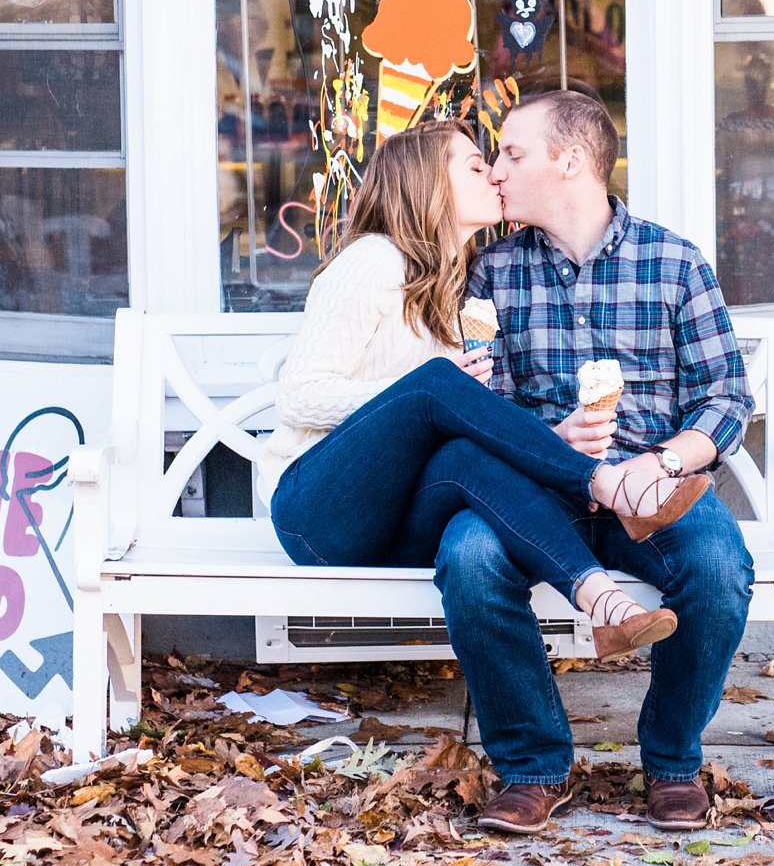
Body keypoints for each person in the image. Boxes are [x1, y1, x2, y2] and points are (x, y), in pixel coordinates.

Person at [260, 118, 704, 658]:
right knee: (433, 390)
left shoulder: (457, 286)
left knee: (463, 455)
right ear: (427, 183)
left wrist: (490, 412)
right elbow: (299, 395)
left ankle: (605, 604)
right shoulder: (372, 261)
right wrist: (417, 394)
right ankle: (610, 486)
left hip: (396, 528)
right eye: (475, 166)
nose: (495, 174)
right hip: (319, 513)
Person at [435, 89, 755, 837]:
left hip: (652, 490)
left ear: (569, 160)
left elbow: (726, 394)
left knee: (718, 568)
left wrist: (667, 459)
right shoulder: (494, 273)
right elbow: (486, 407)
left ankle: (672, 760)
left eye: (512, 153)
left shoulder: (671, 261)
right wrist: (551, 438)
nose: (498, 171)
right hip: (535, 492)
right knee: (469, 558)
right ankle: (533, 768)